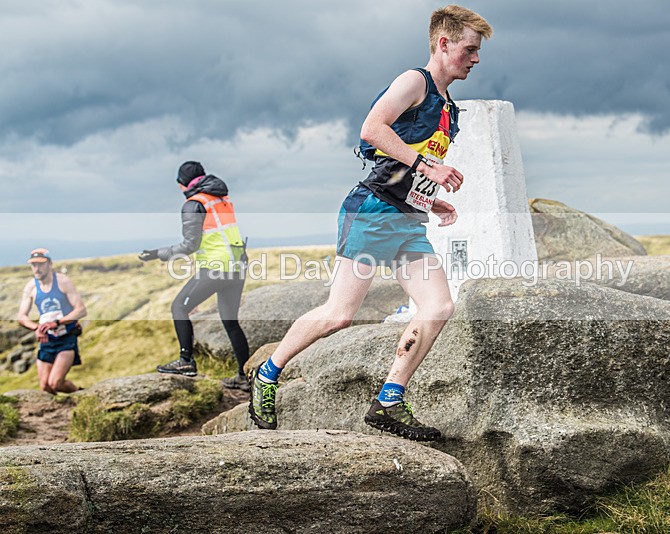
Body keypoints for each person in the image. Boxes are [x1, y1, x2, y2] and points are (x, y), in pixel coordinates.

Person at [249, 5, 492, 441]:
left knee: (438, 306)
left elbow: (404, 163)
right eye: (470, 49)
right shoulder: (413, 81)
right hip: (373, 211)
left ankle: (389, 400)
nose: (475, 59)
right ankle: (267, 375)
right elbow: (372, 129)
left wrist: (429, 199)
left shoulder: (448, 105)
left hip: (407, 218)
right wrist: (428, 167)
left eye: (477, 52)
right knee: (340, 314)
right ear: (444, 43)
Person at [139, 161, 251, 390]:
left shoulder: (194, 203)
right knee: (231, 322)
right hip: (237, 265)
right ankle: (244, 376)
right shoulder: (221, 198)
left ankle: (186, 361)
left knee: (179, 307)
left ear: (182, 185)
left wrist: (157, 254)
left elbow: (190, 245)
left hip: (216, 267)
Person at [17, 249, 87, 394]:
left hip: (66, 337)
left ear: (50, 264)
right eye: (34, 265)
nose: (37, 268)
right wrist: (37, 328)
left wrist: (57, 322)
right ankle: (56, 411)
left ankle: (80, 395)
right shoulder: (31, 287)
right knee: (45, 387)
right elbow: (22, 316)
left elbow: (81, 310)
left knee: (55, 383)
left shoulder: (62, 281)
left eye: (41, 264)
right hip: (47, 340)